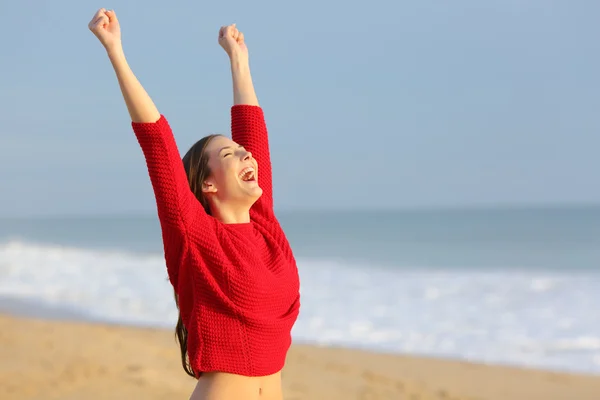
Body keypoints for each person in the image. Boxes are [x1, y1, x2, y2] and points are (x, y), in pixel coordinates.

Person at [88, 8, 301, 400]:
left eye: (244, 152)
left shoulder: (264, 225)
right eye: (230, 155)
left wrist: (239, 59)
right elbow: (157, 144)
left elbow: (252, 129)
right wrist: (115, 50)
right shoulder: (195, 234)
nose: (246, 156)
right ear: (207, 184)